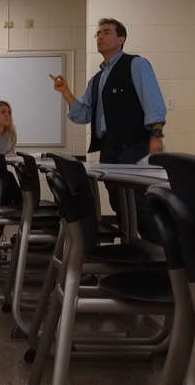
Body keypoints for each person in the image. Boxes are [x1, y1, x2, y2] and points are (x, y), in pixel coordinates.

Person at [50, 18, 166, 245]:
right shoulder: (97, 79)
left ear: (120, 39)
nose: (100, 37)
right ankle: (131, 252)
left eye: (106, 32)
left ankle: (167, 259)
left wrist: (156, 137)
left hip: (135, 147)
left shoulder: (136, 65)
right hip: (109, 148)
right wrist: (66, 92)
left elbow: (154, 103)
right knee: (119, 203)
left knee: (139, 203)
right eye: (98, 34)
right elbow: (83, 115)